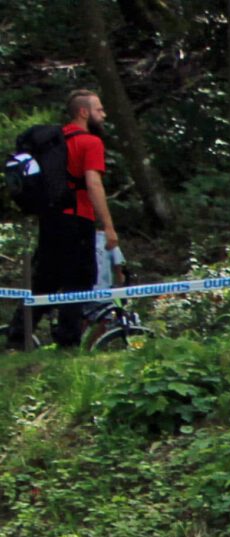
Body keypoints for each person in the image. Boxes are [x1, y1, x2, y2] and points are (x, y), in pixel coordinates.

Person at [27, 91, 120, 352]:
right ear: (83, 112)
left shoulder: (54, 142)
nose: (103, 115)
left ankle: (17, 334)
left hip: (50, 217)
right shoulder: (90, 142)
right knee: (79, 278)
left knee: (46, 278)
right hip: (78, 217)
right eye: (99, 110)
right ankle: (67, 340)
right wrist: (108, 225)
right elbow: (93, 183)